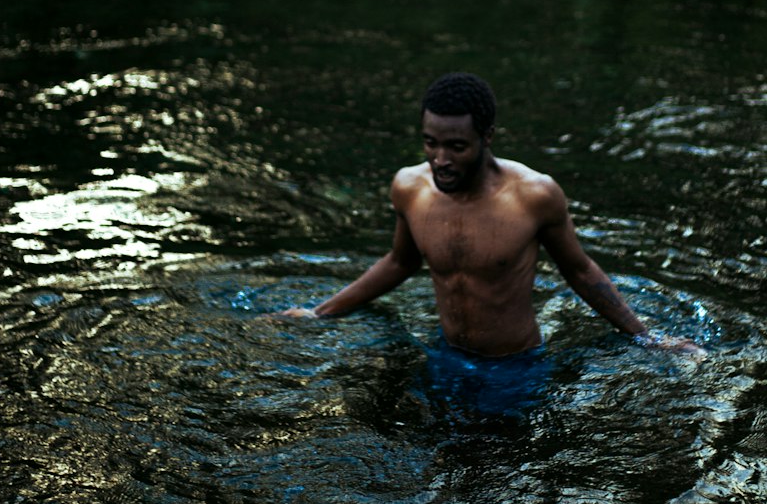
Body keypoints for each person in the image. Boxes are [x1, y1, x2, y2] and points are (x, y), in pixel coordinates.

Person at [275, 72, 706, 361]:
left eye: (456, 147)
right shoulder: (409, 187)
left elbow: (579, 270)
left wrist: (647, 338)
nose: (440, 159)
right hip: (446, 357)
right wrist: (320, 312)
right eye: (430, 143)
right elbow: (400, 262)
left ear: (487, 137)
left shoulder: (533, 196)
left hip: (516, 366)